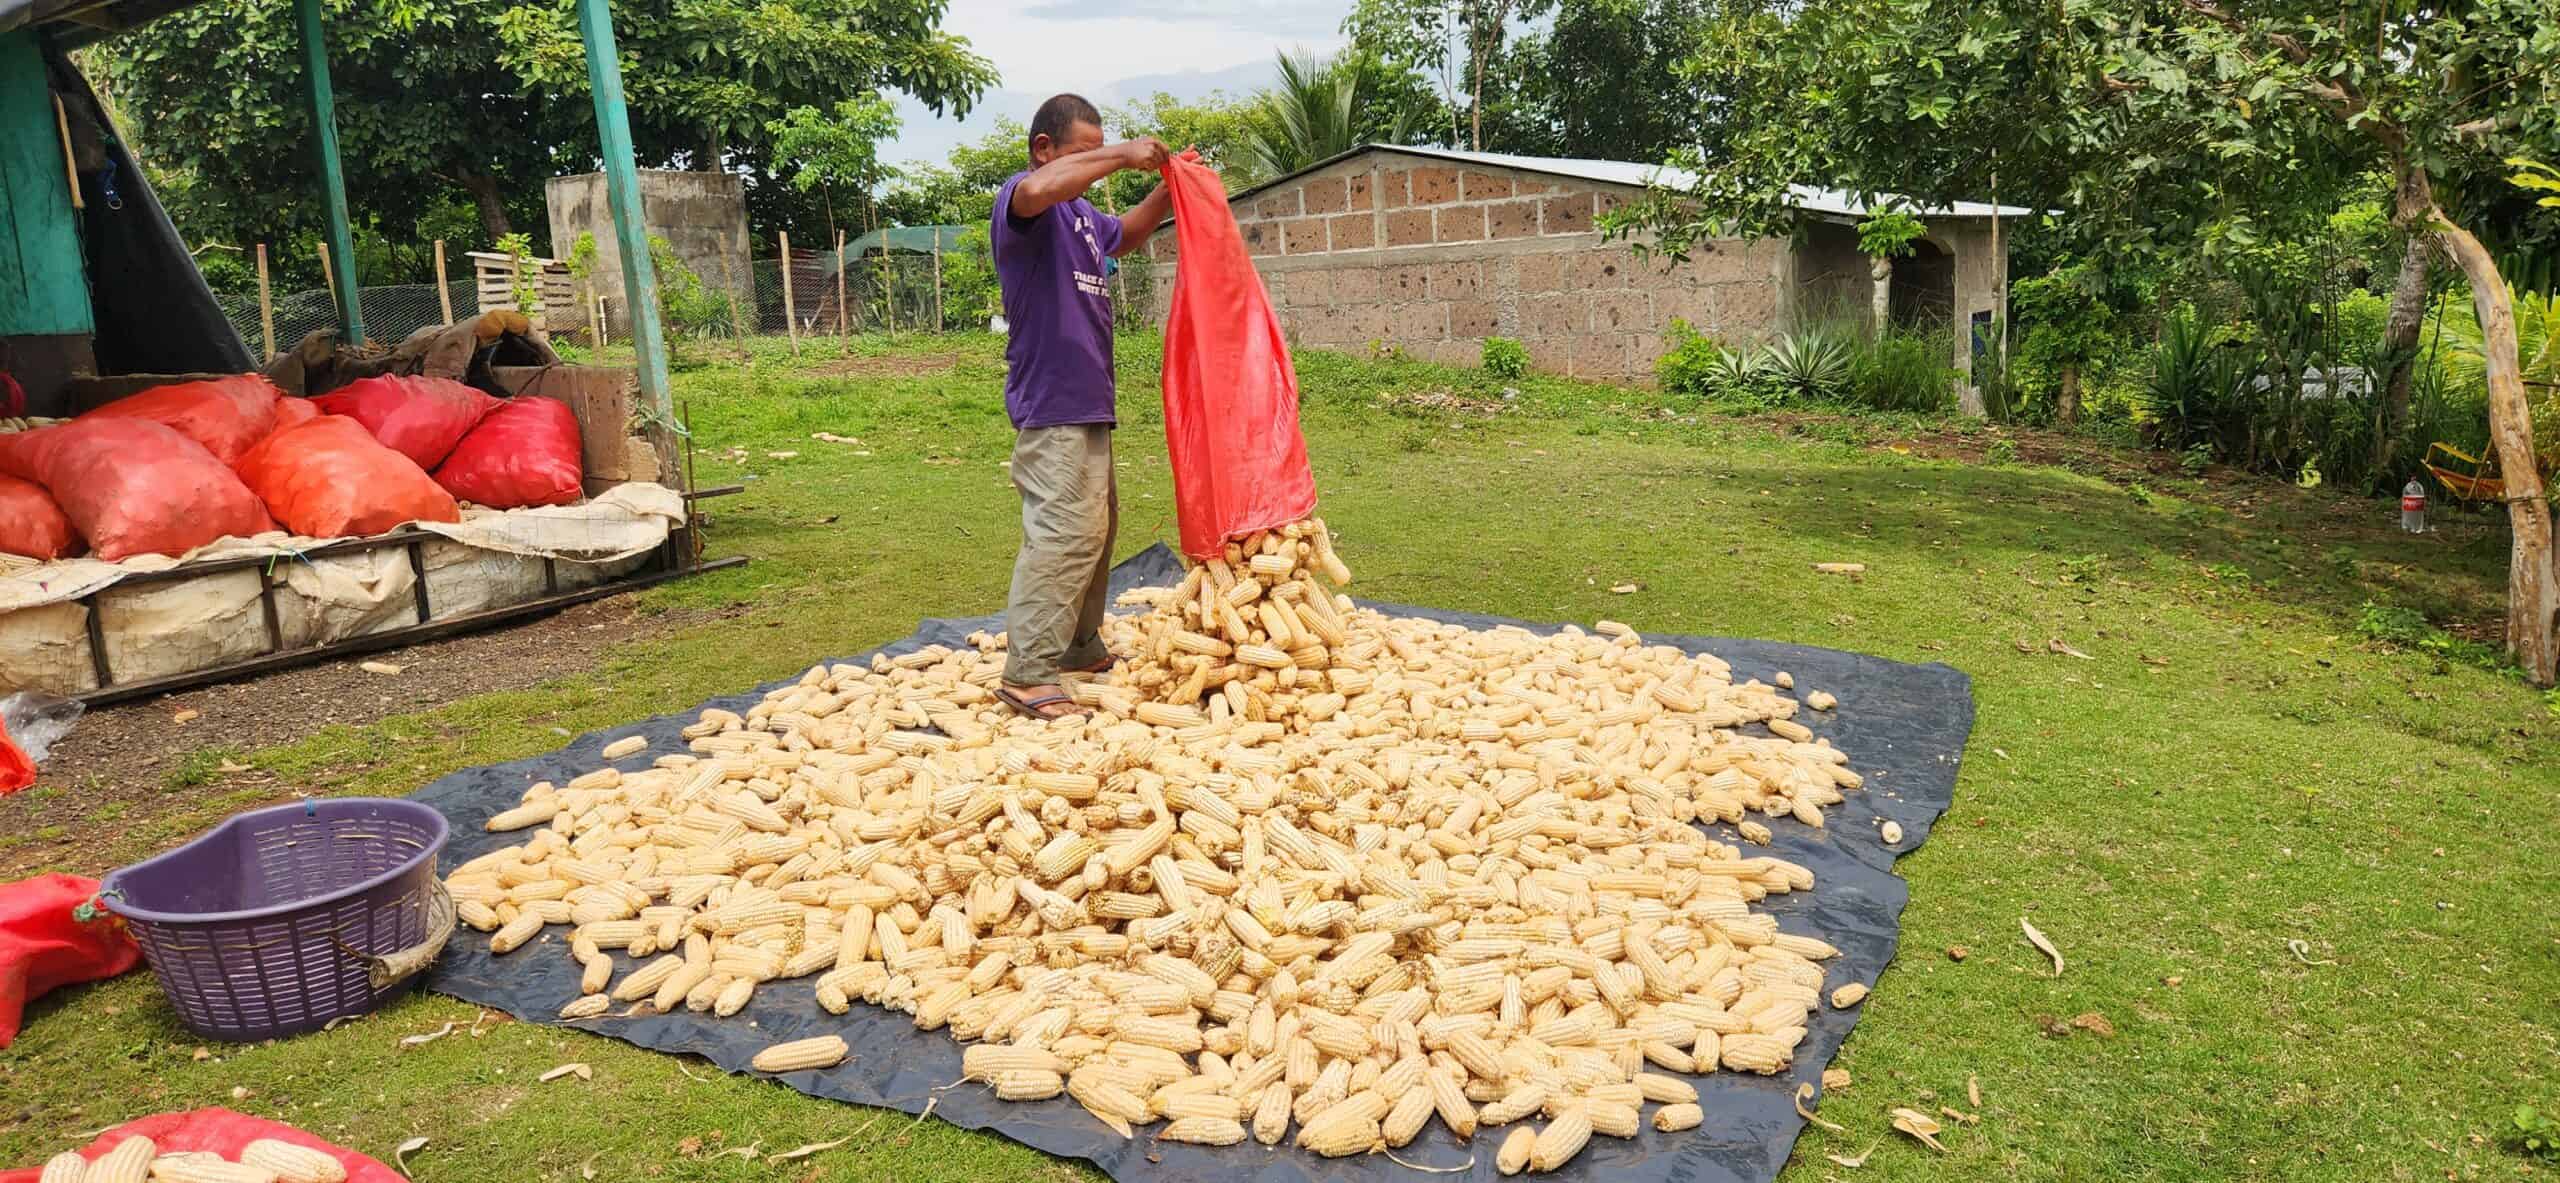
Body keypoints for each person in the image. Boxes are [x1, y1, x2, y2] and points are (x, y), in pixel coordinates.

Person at [991, 93, 1176, 719]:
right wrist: (1121, 156)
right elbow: (1039, 191)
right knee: (1065, 532)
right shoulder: (1027, 202)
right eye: (1084, 154)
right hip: (1051, 404)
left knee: (1097, 532)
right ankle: (1029, 671)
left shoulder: (1082, 218)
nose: (1096, 166)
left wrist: (1175, 188)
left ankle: (1077, 645)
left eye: (1102, 151)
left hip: (1090, 403)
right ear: (1044, 150)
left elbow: (1125, 235)